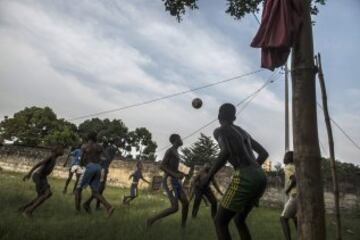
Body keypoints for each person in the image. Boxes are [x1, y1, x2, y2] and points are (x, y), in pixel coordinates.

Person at [200, 103, 269, 240]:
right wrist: (253, 170)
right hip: (260, 175)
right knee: (239, 220)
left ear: (219, 116)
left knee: (220, 222)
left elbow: (225, 152)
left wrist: (207, 178)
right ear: (235, 117)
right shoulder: (243, 132)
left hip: (245, 174)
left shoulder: (220, 130)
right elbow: (264, 153)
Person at [146, 134, 189, 228]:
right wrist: (175, 174)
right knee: (175, 208)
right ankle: (151, 220)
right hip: (169, 181)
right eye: (179, 138)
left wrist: (182, 173)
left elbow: (173, 168)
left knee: (186, 203)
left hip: (176, 181)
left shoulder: (176, 152)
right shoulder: (169, 151)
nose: (181, 139)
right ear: (175, 140)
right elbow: (162, 166)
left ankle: (183, 227)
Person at [74, 132, 114, 217]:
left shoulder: (85, 146)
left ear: (88, 138)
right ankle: (108, 207)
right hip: (98, 168)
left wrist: (81, 167)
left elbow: (81, 159)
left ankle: (77, 212)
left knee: (78, 189)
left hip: (89, 167)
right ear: (95, 138)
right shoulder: (99, 146)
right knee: (95, 192)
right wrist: (99, 160)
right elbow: (107, 157)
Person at [19, 147, 64, 218]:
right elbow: (38, 164)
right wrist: (29, 174)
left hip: (42, 177)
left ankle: (24, 208)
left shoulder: (54, 158)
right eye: (60, 149)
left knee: (44, 195)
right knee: (46, 194)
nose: (62, 150)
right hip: (38, 176)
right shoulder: (51, 156)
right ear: (55, 151)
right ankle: (28, 211)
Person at [92, 137, 119, 210]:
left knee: (101, 188)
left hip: (103, 168)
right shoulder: (111, 149)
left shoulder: (110, 149)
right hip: (103, 169)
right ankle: (96, 205)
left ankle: (96, 205)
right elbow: (106, 158)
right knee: (100, 188)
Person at [280, 151, 297, 240]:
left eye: (285, 156)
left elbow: (294, 180)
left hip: (294, 195)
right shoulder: (296, 167)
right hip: (301, 195)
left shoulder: (288, 167)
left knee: (283, 219)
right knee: (295, 218)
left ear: (287, 158)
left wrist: (288, 190)